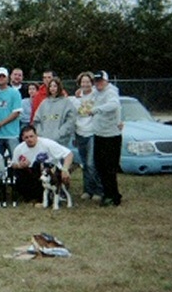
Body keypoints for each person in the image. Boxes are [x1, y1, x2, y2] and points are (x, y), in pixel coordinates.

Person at [10, 125, 74, 205]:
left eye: (31, 136)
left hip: (50, 173)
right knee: (18, 172)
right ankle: (30, 197)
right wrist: (20, 165)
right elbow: (13, 164)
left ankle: (49, 198)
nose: (29, 139)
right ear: (23, 138)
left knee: (37, 164)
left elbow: (69, 154)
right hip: (31, 173)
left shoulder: (47, 144)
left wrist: (65, 169)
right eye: (26, 137)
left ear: (36, 135)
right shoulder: (19, 148)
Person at [90, 70, 122, 207]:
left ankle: (113, 196)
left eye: (101, 81)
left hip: (111, 136)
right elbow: (87, 92)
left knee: (109, 168)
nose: (98, 83)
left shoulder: (111, 92)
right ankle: (107, 192)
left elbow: (114, 104)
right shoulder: (96, 91)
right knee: (100, 166)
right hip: (99, 134)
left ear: (106, 81)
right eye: (96, 81)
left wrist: (97, 109)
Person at [70, 71, 102, 201]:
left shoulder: (97, 95)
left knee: (91, 163)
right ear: (79, 83)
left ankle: (98, 190)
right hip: (79, 132)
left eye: (88, 82)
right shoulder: (76, 98)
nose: (85, 84)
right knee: (84, 164)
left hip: (93, 132)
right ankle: (87, 190)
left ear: (92, 83)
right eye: (83, 82)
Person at [32, 77, 76, 146]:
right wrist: (41, 133)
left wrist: (60, 133)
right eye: (50, 86)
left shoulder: (66, 102)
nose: (52, 88)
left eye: (55, 86)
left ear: (59, 87)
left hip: (61, 141)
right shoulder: (44, 103)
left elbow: (71, 120)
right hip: (45, 140)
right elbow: (36, 120)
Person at [0, 67, 22, 157]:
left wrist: (1, 123)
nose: (1, 78)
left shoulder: (15, 93)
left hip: (11, 134)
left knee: (16, 159)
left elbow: (16, 112)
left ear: (8, 78)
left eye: (3, 76)